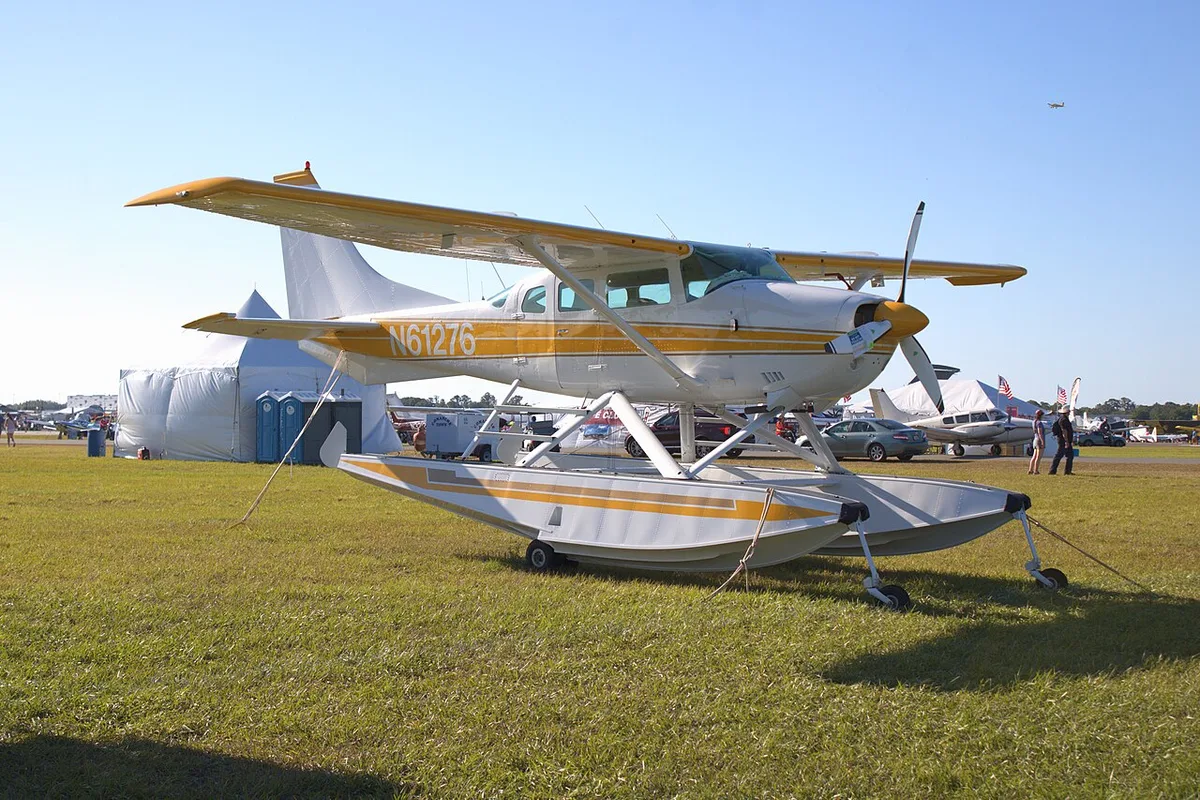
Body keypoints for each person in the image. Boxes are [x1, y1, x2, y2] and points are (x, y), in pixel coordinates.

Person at [1049, 410, 1074, 475]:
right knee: (1059, 455)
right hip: (1064, 441)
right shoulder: (1064, 420)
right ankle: (1052, 471)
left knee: (1069, 456)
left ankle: (1067, 471)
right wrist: (1066, 441)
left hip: (1064, 440)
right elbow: (1064, 431)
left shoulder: (1062, 418)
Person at [1028, 409, 1045, 474]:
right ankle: (1036, 470)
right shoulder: (1039, 423)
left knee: (1034, 456)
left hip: (1035, 439)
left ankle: (1030, 469)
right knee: (1038, 457)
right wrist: (1042, 441)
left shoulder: (1033, 422)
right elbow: (1040, 433)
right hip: (1039, 440)